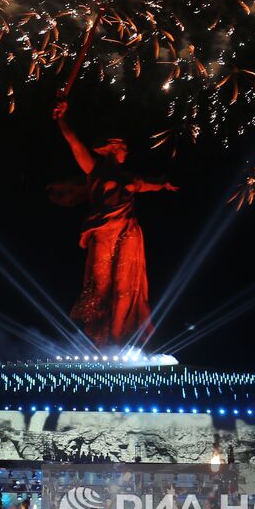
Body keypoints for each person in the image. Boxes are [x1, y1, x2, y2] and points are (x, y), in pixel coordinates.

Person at [52, 100, 177, 347]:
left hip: (128, 229)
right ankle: (97, 337)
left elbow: (148, 184)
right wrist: (61, 119)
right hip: (102, 229)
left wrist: (162, 184)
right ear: (112, 148)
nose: (127, 152)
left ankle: (118, 338)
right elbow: (74, 143)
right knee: (99, 285)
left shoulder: (129, 177)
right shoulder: (94, 169)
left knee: (124, 286)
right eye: (124, 148)